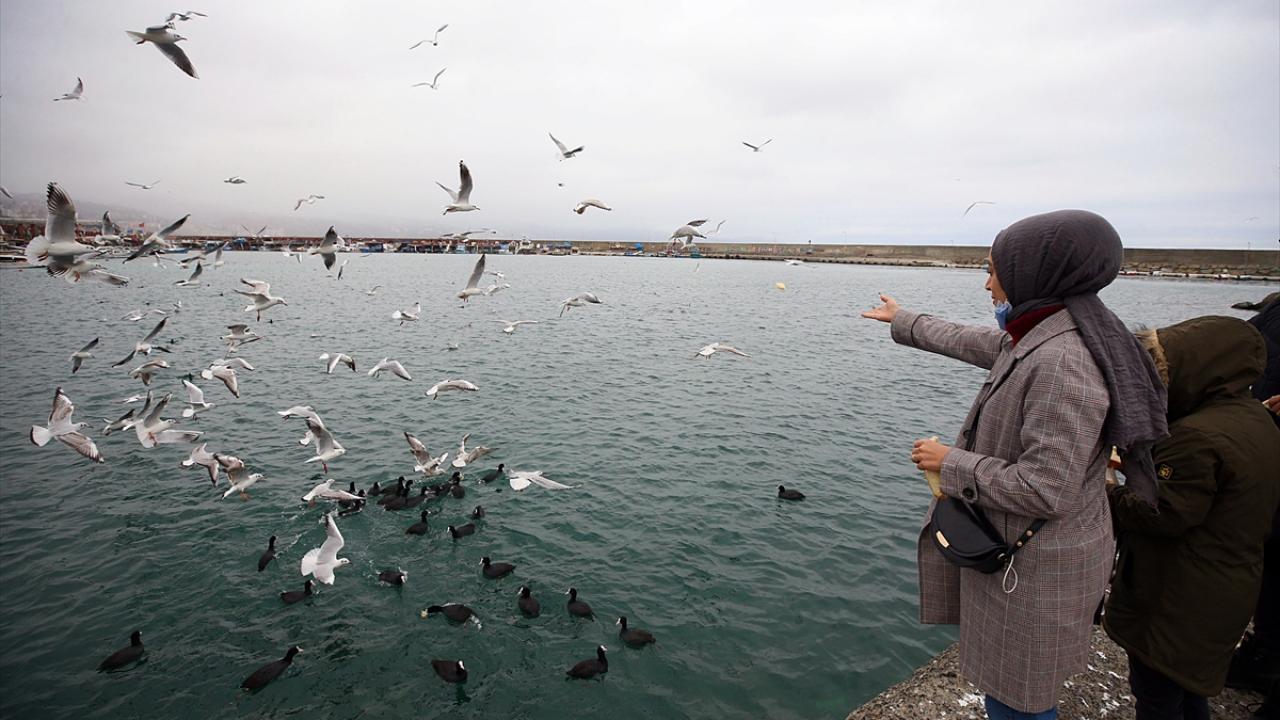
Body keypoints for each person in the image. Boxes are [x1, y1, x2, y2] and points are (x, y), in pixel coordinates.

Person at [863, 209, 1168, 719]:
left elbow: (1048, 488)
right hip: (1035, 558)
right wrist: (905, 320)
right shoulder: (1055, 332)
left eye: (993, 269)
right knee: (1013, 689)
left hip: (1037, 572)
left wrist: (951, 462)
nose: (987, 284)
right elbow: (980, 342)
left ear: (1034, 271)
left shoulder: (1064, 361)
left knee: (1018, 700)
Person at [1103, 317, 1280, 719]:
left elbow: (1158, 512)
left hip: (1178, 597)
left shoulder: (1197, 437)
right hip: (1226, 584)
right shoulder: (1256, 419)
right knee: (1186, 690)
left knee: (1156, 694)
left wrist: (1109, 488)